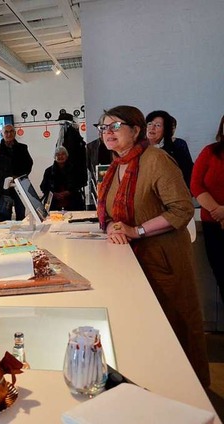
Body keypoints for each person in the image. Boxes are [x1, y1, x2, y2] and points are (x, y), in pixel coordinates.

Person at [96, 105, 209, 387]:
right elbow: (108, 213)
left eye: (115, 126)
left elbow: (182, 209)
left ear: (135, 130)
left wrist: (137, 230)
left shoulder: (156, 159)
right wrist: (112, 227)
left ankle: (186, 392)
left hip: (164, 259)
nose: (107, 132)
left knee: (175, 327)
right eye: (103, 127)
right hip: (134, 262)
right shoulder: (116, 165)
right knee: (147, 333)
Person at [190, 114, 224, 304]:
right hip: (213, 225)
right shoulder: (210, 152)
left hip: (217, 218)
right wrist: (218, 213)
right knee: (221, 275)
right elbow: (196, 185)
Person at [145, 110, 193, 189]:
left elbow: (187, 171)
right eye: (149, 124)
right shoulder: (139, 146)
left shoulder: (177, 146)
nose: (152, 128)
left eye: (158, 125)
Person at [0, 124, 33, 220]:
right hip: (4, 186)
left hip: (20, 184)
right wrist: (8, 177)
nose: (9, 134)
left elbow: (29, 164)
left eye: (11, 131)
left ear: (14, 133)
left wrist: (18, 177)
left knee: (20, 212)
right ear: (2, 134)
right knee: (5, 215)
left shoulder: (22, 148)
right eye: (6, 132)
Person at [40, 146, 85, 211]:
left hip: (73, 201)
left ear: (67, 156)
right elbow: (43, 187)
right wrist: (54, 194)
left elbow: (80, 183)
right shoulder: (48, 171)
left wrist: (68, 192)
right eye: (58, 154)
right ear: (54, 157)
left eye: (63, 154)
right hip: (53, 202)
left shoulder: (75, 169)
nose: (60, 156)